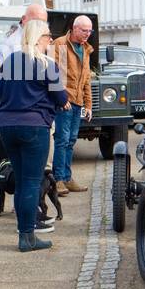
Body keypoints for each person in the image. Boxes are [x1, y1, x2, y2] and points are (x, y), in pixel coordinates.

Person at [0, 19, 67, 252]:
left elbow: (0, 93)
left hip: (7, 125)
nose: (50, 40)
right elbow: (61, 98)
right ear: (38, 39)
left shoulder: (11, 61)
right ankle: (27, 237)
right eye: (48, 36)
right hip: (34, 126)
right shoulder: (46, 64)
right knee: (30, 182)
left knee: (20, 180)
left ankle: (23, 231)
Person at [51, 15, 94, 195]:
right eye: (84, 30)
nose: (87, 34)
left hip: (77, 103)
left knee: (71, 141)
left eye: (90, 31)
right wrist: (62, 99)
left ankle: (67, 178)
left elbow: (86, 79)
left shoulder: (85, 49)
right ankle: (58, 179)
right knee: (62, 140)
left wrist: (89, 105)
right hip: (64, 102)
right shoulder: (60, 45)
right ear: (74, 28)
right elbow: (53, 74)